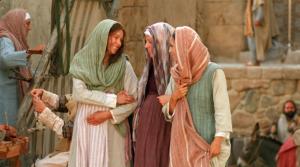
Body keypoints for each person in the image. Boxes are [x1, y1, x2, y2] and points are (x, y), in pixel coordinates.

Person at [68, 19, 138, 167]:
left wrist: (109, 114)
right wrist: (113, 99)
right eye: (115, 37)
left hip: (111, 128)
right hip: (85, 126)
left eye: (121, 39)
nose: (118, 43)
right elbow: (79, 94)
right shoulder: (81, 61)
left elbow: (134, 100)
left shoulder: (124, 66)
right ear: (102, 36)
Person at [159, 26, 232, 166]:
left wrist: (218, 140)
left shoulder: (214, 72)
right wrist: (174, 98)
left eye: (172, 46)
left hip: (206, 146)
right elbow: (167, 112)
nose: (170, 51)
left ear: (184, 48)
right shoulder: (176, 75)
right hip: (181, 146)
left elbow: (222, 109)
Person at [133, 22, 174, 167]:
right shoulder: (150, 65)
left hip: (165, 123)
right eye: (146, 42)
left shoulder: (175, 69)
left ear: (161, 43)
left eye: (150, 42)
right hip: (146, 123)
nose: (146, 46)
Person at [0, 8, 44, 127]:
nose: (29, 28)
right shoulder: (5, 39)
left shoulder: (15, 41)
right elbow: (5, 59)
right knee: (6, 135)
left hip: (11, 97)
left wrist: (39, 74)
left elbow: (22, 68)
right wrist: (30, 52)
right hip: (5, 97)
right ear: (16, 22)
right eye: (27, 23)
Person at [30, 88, 76, 167]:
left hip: (84, 155)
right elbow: (65, 101)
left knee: (40, 165)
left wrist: (44, 111)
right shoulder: (87, 91)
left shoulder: (97, 101)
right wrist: (43, 95)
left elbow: (70, 132)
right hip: (73, 149)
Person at [244, 0, 279, 65]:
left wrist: (258, 19)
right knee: (256, 42)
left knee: (252, 40)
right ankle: (256, 61)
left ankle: (254, 61)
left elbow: (260, 7)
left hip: (257, 23)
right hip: (257, 22)